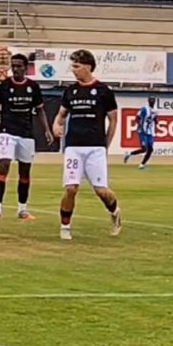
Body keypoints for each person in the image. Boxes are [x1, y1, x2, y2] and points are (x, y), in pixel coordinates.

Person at [51, 49, 122, 240]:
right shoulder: (70, 91)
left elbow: (113, 120)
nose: (73, 70)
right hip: (73, 147)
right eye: (72, 66)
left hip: (95, 147)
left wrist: (106, 146)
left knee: (101, 191)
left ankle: (115, 212)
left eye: (76, 66)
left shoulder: (104, 91)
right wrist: (56, 125)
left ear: (88, 67)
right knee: (71, 187)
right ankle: (65, 227)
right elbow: (61, 115)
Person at [0, 53, 53, 220]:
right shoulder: (4, 86)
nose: (16, 69)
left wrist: (47, 130)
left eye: (19, 66)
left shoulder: (33, 87)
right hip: (7, 132)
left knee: (24, 172)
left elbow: (40, 110)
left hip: (26, 134)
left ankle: (22, 209)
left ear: (26, 68)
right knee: (3, 165)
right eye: (13, 66)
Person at [123, 96, 157, 169]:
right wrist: (140, 125)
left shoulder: (154, 111)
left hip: (150, 133)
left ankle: (142, 164)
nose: (152, 101)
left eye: (153, 100)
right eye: (151, 100)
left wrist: (154, 121)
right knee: (144, 149)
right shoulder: (144, 109)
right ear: (148, 101)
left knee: (150, 149)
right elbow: (137, 118)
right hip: (142, 131)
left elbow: (156, 121)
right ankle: (129, 154)